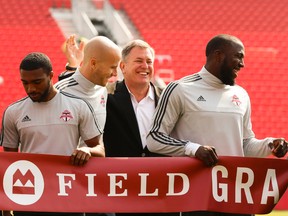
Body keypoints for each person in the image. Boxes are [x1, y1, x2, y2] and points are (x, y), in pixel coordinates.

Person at [146, 34, 288, 216]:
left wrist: (269, 145)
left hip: (236, 196)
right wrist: (193, 149)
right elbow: (154, 138)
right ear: (218, 55)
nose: (242, 64)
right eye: (238, 56)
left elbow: (245, 145)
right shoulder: (179, 89)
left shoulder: (241, 95)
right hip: (195, 197)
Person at [60, 38, 179, 216]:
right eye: (138, 61)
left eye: (149, 61)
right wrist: (73, 66)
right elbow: (79, 91)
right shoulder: (106, 94)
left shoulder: (169, 99)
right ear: (122, 67)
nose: (145, 66)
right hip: (117, 192)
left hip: (159, 193)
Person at [0, 52, 105, 216]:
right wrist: (7, 210)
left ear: (50, 76)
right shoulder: (13, 112)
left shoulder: (78, 106)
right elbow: (8, 165)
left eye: (37, 82)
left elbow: (100, 150)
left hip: (69, 195)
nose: (31, 88)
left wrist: (87, 150)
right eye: (25, 83)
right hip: (31, 197)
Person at [55, 35, 121, 216]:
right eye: (113, 67)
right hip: (69, 186)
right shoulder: (60, 92)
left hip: (99, 183)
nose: (115, 74)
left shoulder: (102, 89)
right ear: (93, 63)